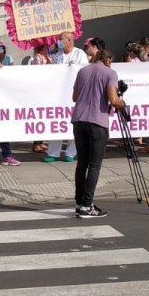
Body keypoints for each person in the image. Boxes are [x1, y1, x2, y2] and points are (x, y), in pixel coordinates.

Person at [71, 46, 124, 218]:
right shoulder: (110, 73)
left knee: (82, 163)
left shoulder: (83, 71)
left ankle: (79, 203)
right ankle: (87, 205)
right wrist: (123, 104)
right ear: (108, 60)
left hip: (79, 120)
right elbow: (113, 100)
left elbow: (74, 97)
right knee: (94, 165)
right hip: (97, 121)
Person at [45, 32, 86, 162]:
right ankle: (53, 153)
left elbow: (83, 72)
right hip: (58, 94)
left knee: (73, 123)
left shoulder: (80, 54)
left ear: (69, 40)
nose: (58, 41)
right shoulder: (57, 55)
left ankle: (70, 153)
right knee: (57, 122)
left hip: (74, 93)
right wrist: (48, 64)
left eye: (60, 39)